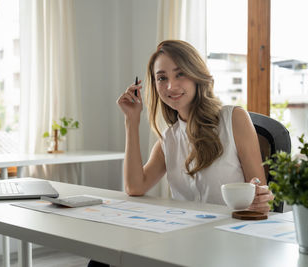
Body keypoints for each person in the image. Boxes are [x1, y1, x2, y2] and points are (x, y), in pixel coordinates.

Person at [88, 40, 274, 267]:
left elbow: (259, 189)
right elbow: (135, 187)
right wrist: (131, 120)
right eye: (162, 78)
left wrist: (260, 197)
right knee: (101, 260)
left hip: (227, 242)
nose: (170, 86)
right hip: (182, 241)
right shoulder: (169, 138)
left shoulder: (233, 119)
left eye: (180, 74)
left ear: (197, 75)